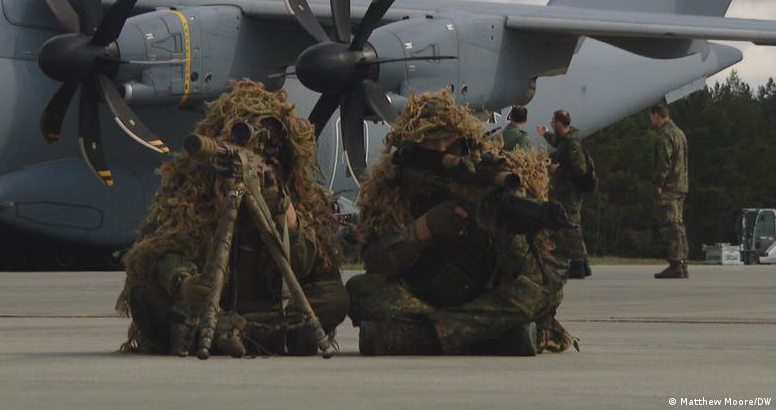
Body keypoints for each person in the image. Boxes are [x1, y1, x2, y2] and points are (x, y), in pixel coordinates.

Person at [116, 80, 348, 356]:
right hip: (214, 303)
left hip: (274, 305)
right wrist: (184, 283)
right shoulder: (193, 190)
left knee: (336, 297)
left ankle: (230, 332)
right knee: (145, 293)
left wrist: (287, 218)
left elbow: (308, 269)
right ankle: (262, 336)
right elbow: (163, 249)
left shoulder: (296, 193)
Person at [346, 89, 577, 356]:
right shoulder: (391, 188)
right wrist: (424, 229)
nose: (442, 149)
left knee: (545, 289)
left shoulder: (485, 177)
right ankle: (485, 334)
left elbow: (526, 269)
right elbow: (376, 262)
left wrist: (500, 227)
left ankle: (429, 335)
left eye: (448, 139)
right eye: (431, 142)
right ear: (411, 144)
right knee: (360, 290)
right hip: (421, 293)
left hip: (482, 294)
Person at [536, 109, 591, 279]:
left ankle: (577, 265)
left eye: (553, 122)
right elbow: (559, 143)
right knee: (571, 225)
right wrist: (545, 134)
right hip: (565, 192)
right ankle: (583, 264)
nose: (552, 124)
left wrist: (557, 169)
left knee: (571, 226)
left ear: (560, 123)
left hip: (570, 193)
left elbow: (579, 169)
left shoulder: (572, 144)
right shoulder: (566, 140)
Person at [649, 103, 690, 279]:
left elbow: (664, 162)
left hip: (670, 186)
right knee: (678, 224)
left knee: (670, 224)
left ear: (657, 115)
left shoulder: (665, 134)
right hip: (681, 184)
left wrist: (659, 183)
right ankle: (682, 264)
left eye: (651, 117)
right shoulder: (679, 132)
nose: (651, 120)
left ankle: (675, 264)